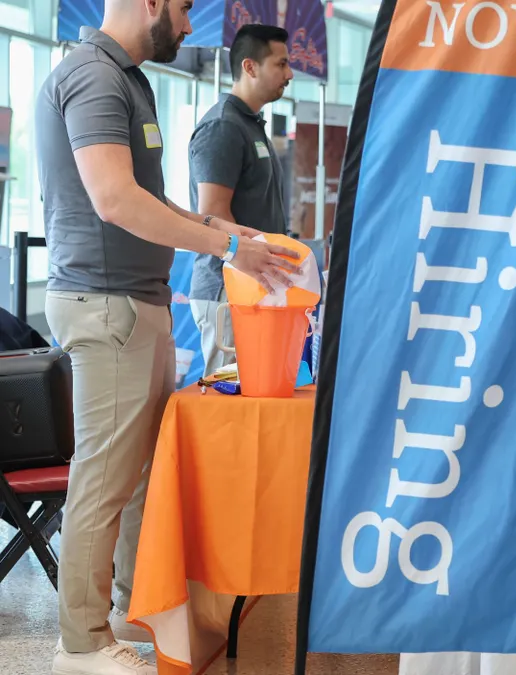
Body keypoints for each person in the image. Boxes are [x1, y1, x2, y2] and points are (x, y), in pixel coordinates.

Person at [35, 2, 296, 673]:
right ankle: (81, 642)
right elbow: (114, 199)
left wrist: (234, 241)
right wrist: (226, 245)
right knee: (104, 478)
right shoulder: (93, 75)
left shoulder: (129, 78)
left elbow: (158, 200)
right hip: (106, 303)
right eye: (182, 9)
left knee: (140, 477)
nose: (188, 26)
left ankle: (124, 610)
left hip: (139, 300)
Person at [189, 23, 293, 376]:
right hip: (228, 289)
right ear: (250, 67)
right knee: (229, 403)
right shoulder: (223, 127)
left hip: (254, 285)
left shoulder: (250, 125)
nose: (289, 73)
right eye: (280, 64)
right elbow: (213, 213)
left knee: (256, 397)